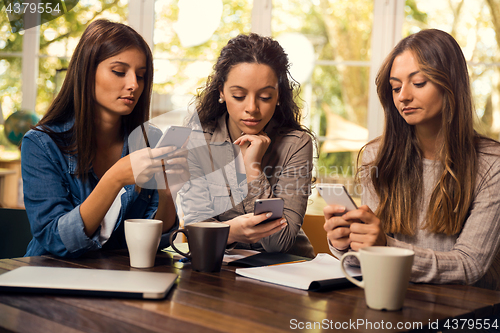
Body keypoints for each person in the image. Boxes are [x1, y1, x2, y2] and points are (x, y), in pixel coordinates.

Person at [324, 29, 500, 290]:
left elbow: (470, 265)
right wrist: (346, 243)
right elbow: (369, 258)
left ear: (450, 85)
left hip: (468, 316)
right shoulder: (377, 157)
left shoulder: (491, 164)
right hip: (395, 298)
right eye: (395, 87)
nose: (403, 96)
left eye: (418, 83)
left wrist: (385, 247)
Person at [21, 20, 187, 258]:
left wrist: (168, 194)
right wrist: (115, 178)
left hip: (123, 279)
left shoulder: (149, 139)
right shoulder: (41, 144)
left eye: (140, 76)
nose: (133, 85)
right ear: (86, 72)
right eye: (119, 72)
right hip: (53, 276)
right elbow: (54, 240)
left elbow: (157, 242)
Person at [179, 33, 316, 258]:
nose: (252, 108)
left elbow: (279, 241)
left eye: (264, 97)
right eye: (239, 95)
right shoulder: (197, 141)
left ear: (279, 95)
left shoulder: (296, 144)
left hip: (289, 269)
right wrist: (231, 232)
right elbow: (197, 234)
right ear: (222, 92)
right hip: (222, 269)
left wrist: (252, 169)